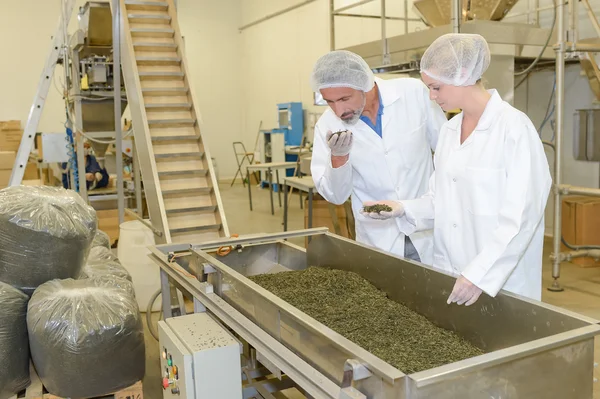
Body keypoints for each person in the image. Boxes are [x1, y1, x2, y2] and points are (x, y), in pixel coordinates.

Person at [362, 34, 552, 305]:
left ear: (462, 75)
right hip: (452, 272)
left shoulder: (514, 129)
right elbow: (441, 199)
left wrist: (478, 274)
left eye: (436, 87)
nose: (431, 96)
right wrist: (403, 207)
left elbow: (522, 217)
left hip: (500, 280)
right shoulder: (450, 131)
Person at [310, 50, 447, 265]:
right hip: (378, 237)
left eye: (345, 98)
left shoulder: (413, 94)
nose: (339, 110)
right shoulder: (327, 126)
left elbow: (448, 151)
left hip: (428, 228)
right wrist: (338, 158)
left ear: (366, 84)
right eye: (330, 102)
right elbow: (335, 196)